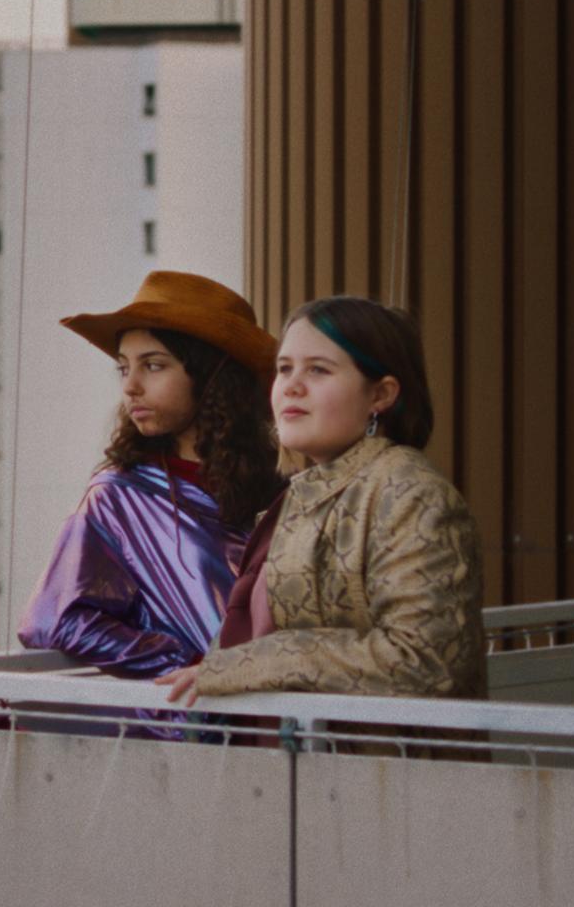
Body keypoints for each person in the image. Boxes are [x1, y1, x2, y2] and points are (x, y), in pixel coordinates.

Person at [157, 295, 486, 703]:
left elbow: (424, 661)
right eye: (284, 369)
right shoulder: (303, 491)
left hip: (383, 763)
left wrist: (264, 661)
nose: (292, 385)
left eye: (318, 369)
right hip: (293, 758)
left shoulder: (410, 494)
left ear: (380, 395)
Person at [18, 271, 286, 678]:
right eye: (124, 368)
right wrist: (189, 665)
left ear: (213, 376)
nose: (131, 387)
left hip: (283, 720)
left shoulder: (283, 489)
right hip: (186, 725)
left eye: (154, 365)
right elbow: (57, 619)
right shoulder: (117, 496)